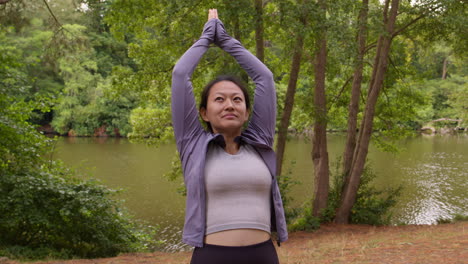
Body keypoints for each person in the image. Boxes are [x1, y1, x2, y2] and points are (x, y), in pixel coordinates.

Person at [171, 9, 288, 264]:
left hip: (263, 255)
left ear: (246, 112)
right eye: (219, 100)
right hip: (213, 256)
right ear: (203, 112)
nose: (230, 105)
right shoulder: (193, 144)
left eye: (237, 100)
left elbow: (265, 79)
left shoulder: (259, 141)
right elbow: (181, 75)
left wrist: (225, 40)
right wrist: (207, 37)